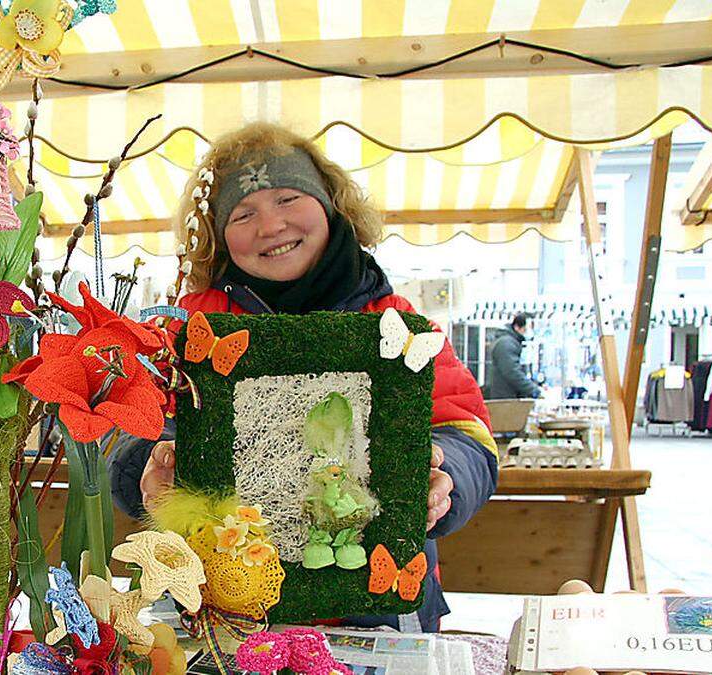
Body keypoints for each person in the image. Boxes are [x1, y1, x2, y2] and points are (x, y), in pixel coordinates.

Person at [107, 122, 498, 632]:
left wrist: (448, 478)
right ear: (219, 235)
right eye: (244, 213)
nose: (270, 225)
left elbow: (468, 433)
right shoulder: (187, 331)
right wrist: (149, 468)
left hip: (376, 612)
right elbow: (131, 434)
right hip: (227, 612)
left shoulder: (395, 326)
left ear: (333, 205)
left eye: (289, 198)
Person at [487, 313, 541, 399]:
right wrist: (534, 391)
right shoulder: (506, 344)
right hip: (506, 398)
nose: (529, 332)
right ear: (517, 327)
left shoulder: (510, 342)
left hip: (508, 396)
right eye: (526, 328)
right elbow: (512, 372)